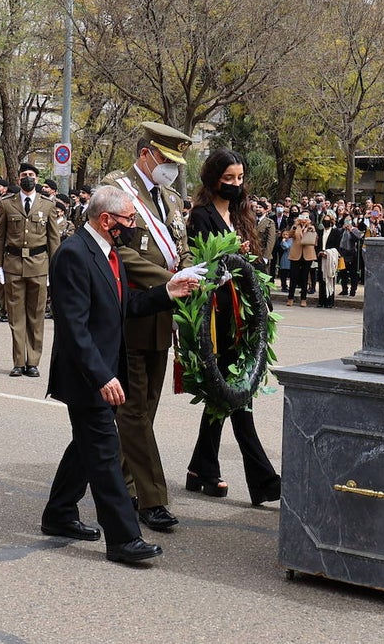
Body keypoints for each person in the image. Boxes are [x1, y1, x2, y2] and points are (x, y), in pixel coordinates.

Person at [41, 185, 203, 564]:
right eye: (129, 219)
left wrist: (168, 291)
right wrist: (102, 376)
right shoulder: (73, 255)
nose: (132, 226)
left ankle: (59, 513)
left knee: (85, 447)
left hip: (103, 370)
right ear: (106, 219)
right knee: (105, 453)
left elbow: (124, 305)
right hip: (86, 375)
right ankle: (123, 538)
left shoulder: (107, 251)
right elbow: (74, 329)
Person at [100, 123, 193, 532]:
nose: (170, 170)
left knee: (144, 410)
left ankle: (120, 483)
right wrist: (166, 279)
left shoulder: (170, 197)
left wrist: (190, 270)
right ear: (146, 155)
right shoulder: (115, 189)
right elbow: (116, 249)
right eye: (166, 161)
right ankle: (150, 499)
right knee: (134, 412)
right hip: (131, 309)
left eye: (175, 164)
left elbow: (181, 243)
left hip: (163, 313)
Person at [184, 148, 282, 506]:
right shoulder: (201, 216)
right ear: (212, 179)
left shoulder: (244, 212)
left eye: (240, 178)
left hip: (245, 317)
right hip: (216, 317)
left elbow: (255, 263)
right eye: (229, 179)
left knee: (227, 392)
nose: (235, 185)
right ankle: (264, 480)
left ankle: (201, 467)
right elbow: (202, 266)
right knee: (238, 393)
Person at [0, 163, 61, 377]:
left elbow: (53, 240)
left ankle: (33, 361)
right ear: (18, 179)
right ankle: (19, 361)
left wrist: (54, 270)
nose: (27, 178)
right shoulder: (6, 204)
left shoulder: (48, 205)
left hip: (39, 266)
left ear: (37, 179)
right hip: (13, 265)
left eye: (31, 175)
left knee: (36, 315)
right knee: (16, 315)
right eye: (24, 175)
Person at [287, 212, 316, 307]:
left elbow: (315, 240)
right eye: (302, 216)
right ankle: (290, 298)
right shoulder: (296, 226)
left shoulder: (311, 227)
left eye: (306, 217)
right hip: (296, 253)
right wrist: (295, 224)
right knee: (293, 276)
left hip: (307, 254)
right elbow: (290, 235)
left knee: (305, 277)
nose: (304, 218)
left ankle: (304, 298)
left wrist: (312, 229)